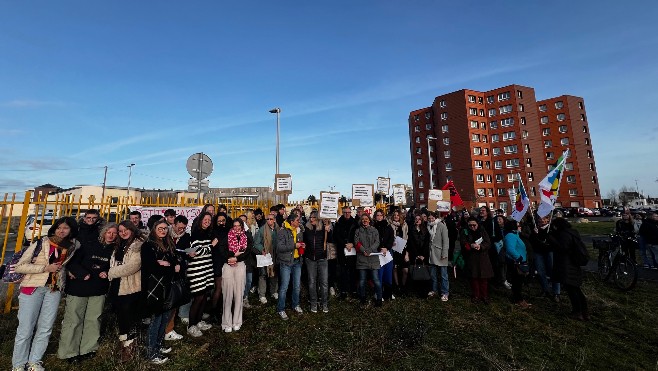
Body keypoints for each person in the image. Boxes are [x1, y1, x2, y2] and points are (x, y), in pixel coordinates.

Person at [12, 217, 80, 371]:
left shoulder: (72, 246)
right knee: (25, 329)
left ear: (71, 230)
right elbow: (20, 266)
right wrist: (44, 268)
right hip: (33, 288)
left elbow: (61, 266)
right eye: (58, 227)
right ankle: (18, 364)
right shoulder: (41, 243)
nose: (61, 231)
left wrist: (65, 273)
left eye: (65, 228)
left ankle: (34, 362)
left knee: (46, 328)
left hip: (53, 290)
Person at [57, 223, 117, 363]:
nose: (111, 235)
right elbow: (72, 262)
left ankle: (88, 349)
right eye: (108, 232)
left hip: (98, 289)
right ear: (103, 232)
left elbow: (114, 267)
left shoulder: (115, 250)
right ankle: (69, 352)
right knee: (74, 320)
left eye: (114, 233)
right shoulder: (88, 244)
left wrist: (107, 272)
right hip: (79, 286)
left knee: (94, 319)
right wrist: (81, 274)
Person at [141, 219, 180, 364]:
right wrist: (169, 266)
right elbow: (151, 267)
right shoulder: (148, 245)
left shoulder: (168, 243)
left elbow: (175, 261)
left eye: (165, 228)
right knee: (156, 320)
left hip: (167, 285)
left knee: (165, 318)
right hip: (154, 288)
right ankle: (152, 353)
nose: (163, 231)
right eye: (160, 228)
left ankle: (159, 345)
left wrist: (170, 264)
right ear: (154, 229)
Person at [107, 220, 145, 362]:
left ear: (132, 229)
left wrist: (111, 272)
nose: (123, 233)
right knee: (121, 315)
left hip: (130, 286)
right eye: (121, 231)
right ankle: (123, 344)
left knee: (128, 316)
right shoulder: (119, 245)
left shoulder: (137, 245)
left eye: (126, 230)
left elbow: (133, 266)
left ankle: (129, 348)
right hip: (118, 284)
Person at [549, 217, 589, 321]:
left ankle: (578, 312)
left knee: (572, 289)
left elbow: (563, 248)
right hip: (573, 264)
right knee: (576, 289)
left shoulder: (564, 235)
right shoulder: (572, 233)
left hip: (567, 265)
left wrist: (551, 239)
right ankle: (584, 312)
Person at [186, 212, 216, 337]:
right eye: (205, 219)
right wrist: (211, 246)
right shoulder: (195, 233)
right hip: (197, 270)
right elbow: (196, 251)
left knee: (204, 297)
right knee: (198, 297)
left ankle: (198, 321)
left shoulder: (207, 233)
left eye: (209, 220)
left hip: (207, 269)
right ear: (200, 220)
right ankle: (191, 325)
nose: (207, 222)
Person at [220, 219, 251, 332]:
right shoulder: (227, 236)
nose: (237, 228)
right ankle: (226, 323)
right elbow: (222, 249)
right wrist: (232, 256)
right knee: (227, 295)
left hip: (240, 265)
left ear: (242, 226)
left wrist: (237, 258)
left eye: (239, 226)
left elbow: (247, 251)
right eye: (235, 225)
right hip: (228, 265)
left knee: (239, 294)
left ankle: (237, 321)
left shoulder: (246, 236)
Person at [165, 215, 191, 341]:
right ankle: (166, 329)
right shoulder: (165, 234)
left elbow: (186, 253)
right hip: (166, 271)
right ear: (174, 225)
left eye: (184, 228)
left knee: (174, 299)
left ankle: (170, 327)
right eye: (179, 228)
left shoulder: (186, 236)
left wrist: (188, 254)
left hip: (179, 271)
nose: (181, 230)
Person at [276, 213, 304, 320]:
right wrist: (294, 246)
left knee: (297, 286)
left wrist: (301, 245)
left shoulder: (299, 231)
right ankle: (281, 309)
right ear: (292, 221)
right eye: (297, 220)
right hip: (286, 263)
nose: (299, 222)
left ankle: (295, 304)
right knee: (284, 287)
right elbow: (279, 247)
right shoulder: (282, 232)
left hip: (297, 262)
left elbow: (298, 244)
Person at [303, 211, 332, 313]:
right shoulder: (306, 229)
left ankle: (324, 303)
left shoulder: (324, 228)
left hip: (322, 258)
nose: (312, 219)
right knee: (312, 282)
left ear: (318, 219)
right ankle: (314, 303)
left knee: (324, 282)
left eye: (314, 218)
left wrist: (329, 230)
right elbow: (303, 241)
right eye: (310, 217)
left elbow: (331, 239)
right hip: (310, 259)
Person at [460, 217, 493, 304]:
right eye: (470, 225)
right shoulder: (465, 231)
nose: (472, 227)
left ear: (477, 224)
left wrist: (481, 247)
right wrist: (470, 245)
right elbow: (463, 243)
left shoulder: (482, 231)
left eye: (474, 225)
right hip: (471, 257)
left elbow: (488, 243)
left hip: (483, 257)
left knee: (483, 278)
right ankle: (476, 295)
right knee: (474, 278)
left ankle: (484, 296)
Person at [530, 214, 561, 302]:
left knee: (553, 271)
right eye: (540, 219)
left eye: (544, 219)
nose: (542, 221)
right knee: (540, 272)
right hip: (538, 253)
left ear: (548, 219)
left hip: (549, 252)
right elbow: (532, 241)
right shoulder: (535, 229)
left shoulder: (552, 229)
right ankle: (545, 290)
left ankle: (556, 293)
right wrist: (534, 234)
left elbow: (555, 241)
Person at [354, 214, 382, 307]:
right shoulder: (358, 231)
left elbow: (377, 242)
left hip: (373, 258)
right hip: (362, 259)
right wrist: (364, 250)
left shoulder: (375, 230)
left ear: (369, 220)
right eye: (363, 219)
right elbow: (356, 242)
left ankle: (379, 299)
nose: (365, 220)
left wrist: (369, 250)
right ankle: (362, 298)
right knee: (362, 281)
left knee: (376, 280)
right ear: (361, 221)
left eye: (366, 219)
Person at [504, 220, 531, 309]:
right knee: (517, 282)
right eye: (518, 225)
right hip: (516, 262)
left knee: (519, 281)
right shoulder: (510, 236)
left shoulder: (515, 235)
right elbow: (510, 249)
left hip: (519, 261)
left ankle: (517, 298)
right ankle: (518, 300)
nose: (520, 226)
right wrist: (519, 258)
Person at [208, 212, 230, 322]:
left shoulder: (228, 230)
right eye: (219, 221)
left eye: (223, 221)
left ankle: (220, 310)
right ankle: (213, 312)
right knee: (218, 288)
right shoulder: (213, 231)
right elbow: (211, 247)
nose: (221, 223)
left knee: (224, 288)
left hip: (226, 261)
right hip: (217, 262)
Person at [334, 206, 358, 300]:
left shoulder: (355, 223)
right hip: (342, 250)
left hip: (353, 249)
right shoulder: (338, 223)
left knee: (353, 271)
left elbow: (357, 235)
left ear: (351, 212)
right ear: (342, 212)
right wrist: (344, 244)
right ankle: (343, 291)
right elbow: (336, 236)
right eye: (345, 212)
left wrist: (352, 244)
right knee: (343, 271)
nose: (347, 214)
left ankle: (353, 290)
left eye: (348, 212)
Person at [254, 212, 279, 304]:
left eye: (271, 219)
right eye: (267, 219)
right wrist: (262, 249)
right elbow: (256, 242)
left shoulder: (278, 229)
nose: (269, 221)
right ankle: (262, 295)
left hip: (275, 255)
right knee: (263, 275)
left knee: (274, 274)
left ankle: (274, 291)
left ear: (274, 220)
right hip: (265, 255)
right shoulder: (262, 230)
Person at [428, 214, 450, 301]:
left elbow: (446, 241)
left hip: (441, 253)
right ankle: (434, 290)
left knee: (443, 275)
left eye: (432, 218)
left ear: (436, 218)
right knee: (433, 274)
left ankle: (445, 292)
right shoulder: (428, 226)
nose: (430, 219)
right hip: (432, 253)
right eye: (429, 218)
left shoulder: (442, 226)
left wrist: (444, 253)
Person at [373, 209, 394, 301]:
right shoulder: (372, 227)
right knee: (379, 274)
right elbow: (372, 240)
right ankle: (378, 293)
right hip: (377, 253)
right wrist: (379, 248)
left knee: (388, 274)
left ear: (383, 216)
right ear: (375, 217)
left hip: (387, 253)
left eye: (381, 215)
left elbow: (391, 239)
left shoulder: (388, 227)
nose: (379, 217)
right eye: (377, 215)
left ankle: (388, 293)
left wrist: (387, 248)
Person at [406, 215, 430, 296]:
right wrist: (416, 255)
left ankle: (423, 290)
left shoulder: (425, 230)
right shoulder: (411, 230)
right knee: (415, 271)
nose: (417, 220)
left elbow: (427, 243)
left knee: (423, 271)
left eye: (419, 219)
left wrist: (423, 255)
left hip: (424, 254)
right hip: (414, 254)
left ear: (421, 220)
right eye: (416, 219)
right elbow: (410, 243)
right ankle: (415, 290)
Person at [388, 210, 409, 296]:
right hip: (394, 249)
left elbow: (407, 237)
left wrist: (407, 252)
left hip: (403, 249)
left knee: (405, 269)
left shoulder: (404, 225)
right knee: (395, 268)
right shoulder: (390, 225)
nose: (396, 216)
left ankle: (403, 286)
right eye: (395, 215)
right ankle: (397, 286)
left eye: (398, 215)